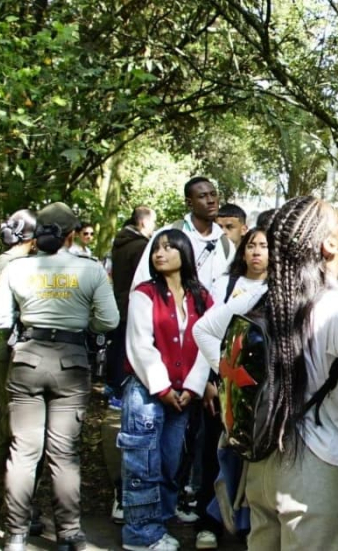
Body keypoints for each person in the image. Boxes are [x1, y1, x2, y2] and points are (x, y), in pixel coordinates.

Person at [196, 197, 338, 550]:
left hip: (263, 462)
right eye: (336, 215)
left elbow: (204, 330)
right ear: (328, 244)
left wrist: (242, 379)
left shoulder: (262, 296)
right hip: (319, 468)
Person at [0, 202, 119, 551]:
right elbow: (109, 320)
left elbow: (0, 321)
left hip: (27, 361)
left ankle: (15, 534)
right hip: (71, 364)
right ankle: (69, 533)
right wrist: (82, 324)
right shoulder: (89, 271)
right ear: (72, 234)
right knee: (64, 453)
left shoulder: (16, 270)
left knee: (23, 450)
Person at [119, 228, 214, 551]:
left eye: (168, 248)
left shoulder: (200, 295)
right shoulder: (144, 293)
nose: (160, 254)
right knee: (143, 463)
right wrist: (162, 388)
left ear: (184, 253)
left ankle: (157, 525)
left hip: (184, 394)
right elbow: (140, 345)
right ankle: (140, 533)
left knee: (171, 463)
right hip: (147, 391)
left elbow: (208, 341)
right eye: (156, 249)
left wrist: (194, 385)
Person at [193, 227, 269, 550]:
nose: (256, 252)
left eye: (264, 246)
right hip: (226, 389)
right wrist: (215, 378)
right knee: (216, 453)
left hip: (262, 395)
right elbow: (207, 332)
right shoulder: (227, 285)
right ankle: (208, 522)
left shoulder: (276, 289)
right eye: (251, 245)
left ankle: (248, 526)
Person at [103, 205, 157, 523]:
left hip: (122, 307)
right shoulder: (140, 247)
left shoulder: (119, 243)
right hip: (135, 312)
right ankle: (131, 502)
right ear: (142, 222)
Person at [0, 209, 37, 527]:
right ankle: (3, 510)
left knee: (11, 429)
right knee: (14, 432)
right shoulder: (16, 267)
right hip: (15, 354)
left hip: (9, 353)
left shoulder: (3, 263)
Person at [132, 176, 234, 295]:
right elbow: (142, 282)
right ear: (189, 203)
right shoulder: (166, 236)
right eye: (202, 196)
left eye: (213, 194)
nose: (211, 200)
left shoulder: (226, 245)